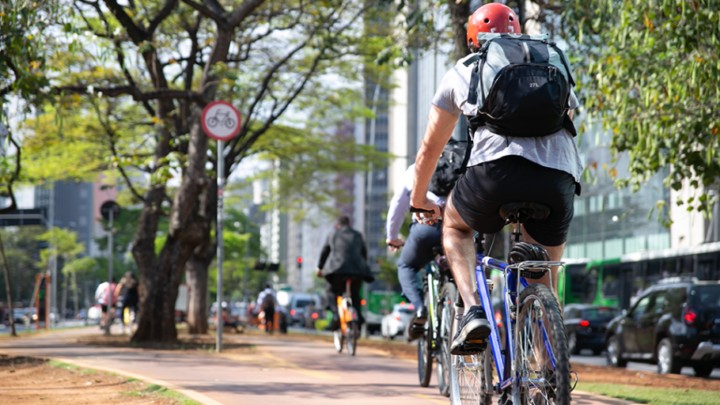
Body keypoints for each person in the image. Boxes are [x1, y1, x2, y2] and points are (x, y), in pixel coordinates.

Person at [410, 3, 581, 355]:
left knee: (456, 229)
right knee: (545, 271)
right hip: (558, 178)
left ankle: (473, 310)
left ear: (474, 39)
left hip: (494, 175)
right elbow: (569, 117)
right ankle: (549, 368)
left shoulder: (466, 68)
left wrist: (419, 197)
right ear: (517, 32)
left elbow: (430, 147)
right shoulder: (549, 60)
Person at [386, 163, 446, 339]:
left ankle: (420, 307)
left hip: (426, 226)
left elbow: (398, 204)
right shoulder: (463, 161)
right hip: (458, 228)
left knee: (406, 266)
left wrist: (392, 236)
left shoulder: (417, 167)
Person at [315, 215, 374, 331]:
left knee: (331, 291)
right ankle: (358, 319)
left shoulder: (333, 235)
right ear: (349, 224)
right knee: (355, 295)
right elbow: (364, 252)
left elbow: (325, 251)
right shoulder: (357, 235)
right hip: (357, 271)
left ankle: (336, 315)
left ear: (337, 225)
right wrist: (362, 266)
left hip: (336, 270)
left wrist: (320, 268)